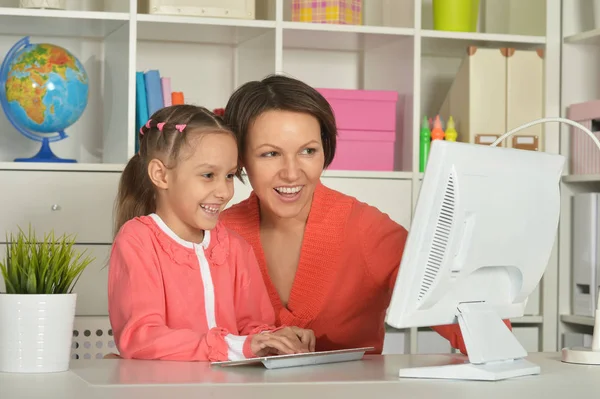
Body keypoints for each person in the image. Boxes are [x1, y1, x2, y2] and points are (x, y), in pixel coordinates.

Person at [220, 75, 511, 355]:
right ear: (241, 158)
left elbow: (483, 332)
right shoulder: (218, 233)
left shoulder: (366, 230)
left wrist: (476, 261)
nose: (292, 172)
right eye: (270, 154)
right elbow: (186, 339)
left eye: (308, 151)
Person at [108, 104, 316, 362]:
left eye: (229, 176)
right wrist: (232, 346)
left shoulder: (236, 248)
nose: (224, 192)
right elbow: (141, 337)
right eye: (208, 175)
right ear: (160, 175)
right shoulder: (138, 240)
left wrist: (275, 339)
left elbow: (251, 327)